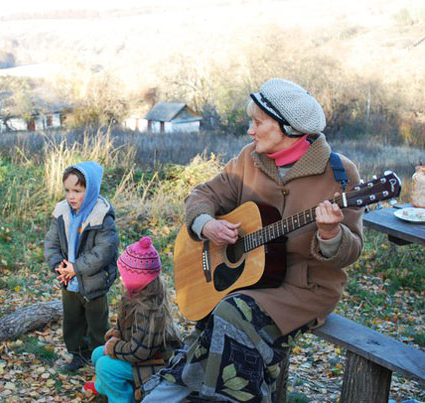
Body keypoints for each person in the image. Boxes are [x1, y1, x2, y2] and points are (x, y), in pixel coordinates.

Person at [143, 78, 363, 402]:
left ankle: (182, 392)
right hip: (253, 279)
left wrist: (330, 234)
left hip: (304, 289)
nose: (250, 130)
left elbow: (352, 249)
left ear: (288, 128)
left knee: (230, 314)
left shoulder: (340, 174)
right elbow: (203, 194)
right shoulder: (250, 158)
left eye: (258, 123)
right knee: (220, 316)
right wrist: (206, 225)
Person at [82, 236, 181, 402]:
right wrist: (116, 335)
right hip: (140, 355)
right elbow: (126, 329)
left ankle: (122, 398)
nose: (121, 278)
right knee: (97, 354)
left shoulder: (148, 309)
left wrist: (114, 348)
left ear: (137, 278)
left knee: (105, 366)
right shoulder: (134, 295)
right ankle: (103, 386)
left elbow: (140, 351)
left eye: (124, 274)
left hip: (156, 364)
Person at [44, 161, 119, 372]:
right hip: (68, 280)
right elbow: (51, 243)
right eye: (67, 190)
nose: (71, 196)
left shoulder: (101, 215)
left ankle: (101, 359)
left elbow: (104, 251)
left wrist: (76, 268)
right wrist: (59, 266)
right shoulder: (62, 212)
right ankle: (78, 354)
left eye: (77, 190)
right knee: (72, 321)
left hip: (93, 280)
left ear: (91, 189)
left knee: (97, 323)